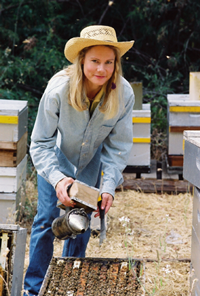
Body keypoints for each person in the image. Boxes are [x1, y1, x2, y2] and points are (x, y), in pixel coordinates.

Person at [23, 25, 135, 295]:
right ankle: (33, 289)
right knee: (46, 220)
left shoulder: (124, 94)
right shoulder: (58, 90)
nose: (102, 69)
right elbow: (40, 142)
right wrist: (58, 179)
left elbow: (117, 147)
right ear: (82, 59)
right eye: (95, 61)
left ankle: (68, 287)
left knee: (80, 222)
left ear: (116, 64)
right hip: (54, 159)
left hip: (90, 164)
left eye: (109, 62)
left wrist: (108, 185)